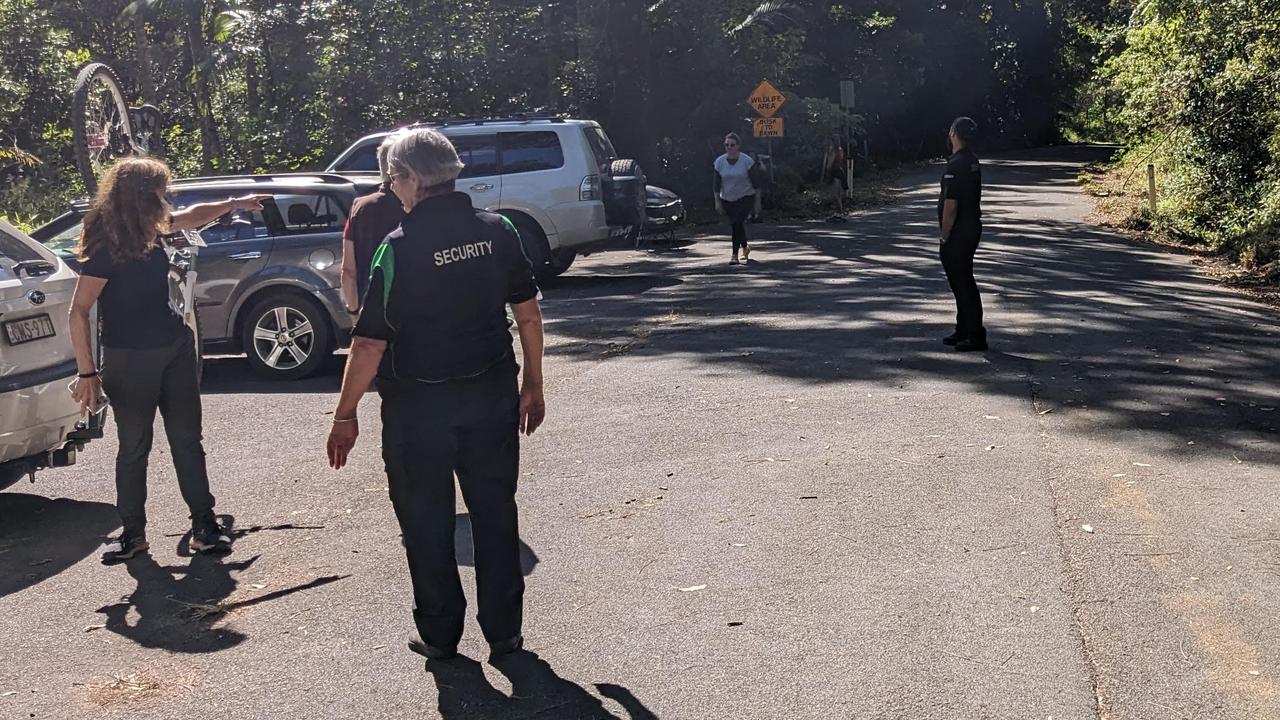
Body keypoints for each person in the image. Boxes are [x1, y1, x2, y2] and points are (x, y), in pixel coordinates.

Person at [326, 128, 546, 662]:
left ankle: (441, 635)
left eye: (392, 179)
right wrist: (533, 384)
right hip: (490, 395)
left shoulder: (397, 248)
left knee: (426, 523)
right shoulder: (499, 231)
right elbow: (528, 311)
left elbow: (370, 341)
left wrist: (345, 413)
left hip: (418, 411)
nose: (390, 188)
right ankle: (505, 633)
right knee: (495, 513)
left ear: (410, 179)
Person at [68, 157, 266, 563]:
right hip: (129, 360)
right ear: (141, 196)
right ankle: (133, 535)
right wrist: (87, 371)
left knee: (188, 442)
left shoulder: (153, 230)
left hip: (174, 349)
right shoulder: (108, 246)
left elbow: (192, 216)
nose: (166, 198)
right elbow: (79, 310)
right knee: (134, 448)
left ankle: (205, 528)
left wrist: (235, 202)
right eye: (160, 191)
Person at [341, 132, 405, 315]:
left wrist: (353, 313)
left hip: (371, 308)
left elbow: (348, 271)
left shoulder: (360, 207)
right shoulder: (415, 204)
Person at [938, 116, 987, 352]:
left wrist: (945, 235)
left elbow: (951, 205)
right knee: (962, 281)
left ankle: (976, 334)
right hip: (971, 228)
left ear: (954, 133)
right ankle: (964, 329)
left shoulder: (956, 164)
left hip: (959, 231)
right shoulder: (971, 161)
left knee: (962, 282)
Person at [713, 132, 762, 265]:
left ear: (738, 146)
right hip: (727, 198)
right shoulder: (719, 162)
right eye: (727, 145)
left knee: (737, 223)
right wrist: (717, 202)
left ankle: (734, 255)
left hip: (745, 196)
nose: (729, 147)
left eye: (732, 145)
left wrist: (757, 202)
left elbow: (756, 183)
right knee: (737, 224)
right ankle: (745, 247)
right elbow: (716, 185)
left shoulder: (747, 161)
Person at [824, 140, 849, 219]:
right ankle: (840, 212)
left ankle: (840, 212)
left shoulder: (833, 152)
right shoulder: (840, 150)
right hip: (840, 171)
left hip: (834, 173)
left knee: (835, 195)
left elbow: (829, 165)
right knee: (838, 194)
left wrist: (827, 172)